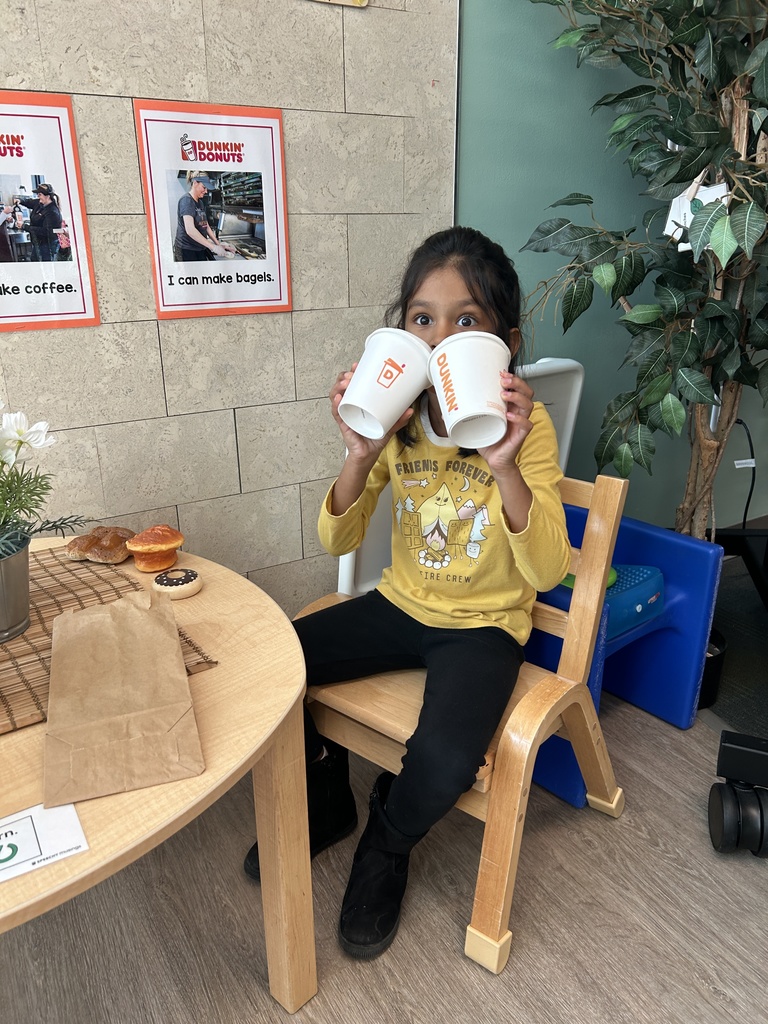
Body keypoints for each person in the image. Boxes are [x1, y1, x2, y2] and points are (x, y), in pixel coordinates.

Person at [243, 226, 572, 960]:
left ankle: (386, 843)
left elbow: (548, 569)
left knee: (448, 759)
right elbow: (337, 541)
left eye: (467, 320)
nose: (441, 334)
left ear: (505, 342)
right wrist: (360, 452)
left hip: (484, 624)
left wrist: (508, 466)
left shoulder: (528, 427)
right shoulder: (397, 422)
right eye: (423, 318)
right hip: (401, 603)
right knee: (271, 664)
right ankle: (324, 799)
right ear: (401, 333)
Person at [173, 171, 235, 261]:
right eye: (204, 187)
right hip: (186, 250)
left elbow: (205, 226)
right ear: (195, 183)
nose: (206, 191)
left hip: (199, 247)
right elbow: (190, 230)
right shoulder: (186, 201)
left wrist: (218, 245)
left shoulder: (200, 202)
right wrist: (213, 247)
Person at [17, 183, 63, 261]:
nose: (38, 196)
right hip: (38, 243)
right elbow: (29, 202)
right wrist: (20, 200)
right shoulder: (40, 203)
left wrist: (25, 226)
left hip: (47, 245)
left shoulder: (52, 212)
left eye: (40, 194)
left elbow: (46, 231)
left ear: (47, 196)